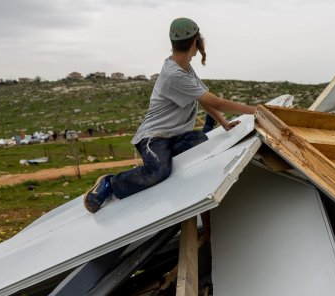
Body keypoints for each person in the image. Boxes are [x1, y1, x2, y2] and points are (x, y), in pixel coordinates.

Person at [84, 17, 256, 213]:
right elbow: (216, 102)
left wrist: (224, 123)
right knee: (158, 170)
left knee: (202, 143)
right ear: (195, 43)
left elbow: (204, 99)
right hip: (153, 137)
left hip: (174, 137)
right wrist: (255, 110)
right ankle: (110, 183)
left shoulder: (185, 68)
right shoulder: (174, 74)